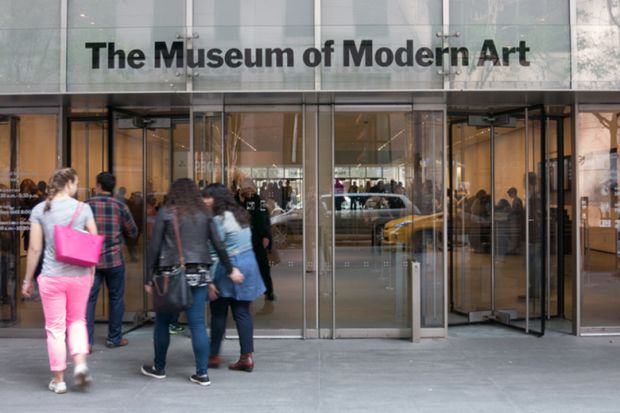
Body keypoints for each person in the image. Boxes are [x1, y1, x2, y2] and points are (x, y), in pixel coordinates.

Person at [141, 178, 243, 386]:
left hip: (171, 275)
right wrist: (230, 269)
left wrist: (148, 277)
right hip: (199, 273)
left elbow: (154, 247)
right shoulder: (204, 214)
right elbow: (218, 244)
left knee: (162, 321)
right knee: (197, 324)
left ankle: (159, 367)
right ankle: (202, 373)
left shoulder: (167, 212)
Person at [21, 168, 97, 394]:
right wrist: (91, 272)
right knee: (77, 321)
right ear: (70, 183)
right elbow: (94, 241)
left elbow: (34, 248)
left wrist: (27, 280)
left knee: (55, 328)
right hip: (79, 276)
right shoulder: (83, 208)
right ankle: (81, 364)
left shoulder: (40, 209)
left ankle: (59, 379)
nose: (77, 187)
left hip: (52, 276)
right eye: (77, 183)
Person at [203, 184, 266, 372]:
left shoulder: (219, 219)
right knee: (242, 311)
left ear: (216, 199)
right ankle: (247, 357)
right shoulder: (241, 214)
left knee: (219, 311)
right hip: (248, 262)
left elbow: (215, 252)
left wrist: (210, 280)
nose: (204, 200)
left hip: (228, 265)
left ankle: (213, 355)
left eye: (207, 197)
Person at [85, 172, 138, 351]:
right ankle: (114, 338)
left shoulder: (87, 205)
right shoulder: (120, 206)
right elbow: (133, 231)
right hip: (114, 260)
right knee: (116, 299)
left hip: (91, 261)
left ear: (98, 185)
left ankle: (86, 342)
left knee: (89, 300)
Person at [236, 177, 274, 301]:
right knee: (244, 266)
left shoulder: (259, 202)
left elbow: (265, 221)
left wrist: (266, 236)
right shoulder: (238, 201)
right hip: (243, 239)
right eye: (245, 188)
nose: (247, 191)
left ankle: (268, 291)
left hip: (257, 238)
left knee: (262, 266)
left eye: (249, 188)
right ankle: (246, 290)